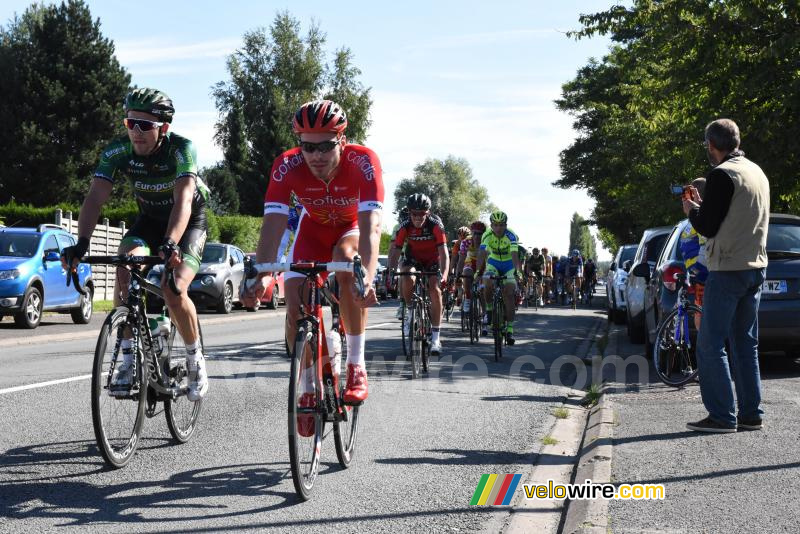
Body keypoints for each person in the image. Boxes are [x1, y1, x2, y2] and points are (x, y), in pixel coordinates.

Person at [62, 88, 211, 401]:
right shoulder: (118, 151)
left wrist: (171, 242)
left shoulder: (181, 149)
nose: (137, 132)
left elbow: (183, 200)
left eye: (146, 126)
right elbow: (95, 198)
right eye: (131, 124)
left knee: (173, 290)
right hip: (149, 222)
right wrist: (81, 244)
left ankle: (195, 358)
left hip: (186, 224)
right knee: (125, 268)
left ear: (163, 128)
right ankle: (128, 361)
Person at [243, 99, 383, 405]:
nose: (316, 155)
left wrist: (367, 278)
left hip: (350, 229)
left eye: (326, 146)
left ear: (342, 141)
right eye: (308, 147)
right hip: (312, 231)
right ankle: (307, 386)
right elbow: (273, 224)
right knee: (294, 304)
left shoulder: (363, 161)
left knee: (348, 264)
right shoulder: (286, 165)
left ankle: (356, 364)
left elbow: (371, 226)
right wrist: (263, 275)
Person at [682, 118, 769, 433]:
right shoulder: (756, 171)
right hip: (756, 267)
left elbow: (708, 226)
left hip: (728, 268)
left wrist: (691, 210)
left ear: (711, 145)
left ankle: (721, 415)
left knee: (709, 343)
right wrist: (705, 208)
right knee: (745, 344)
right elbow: (733, 215)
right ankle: (750, 413)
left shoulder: (720, 174)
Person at [387, 193, 449, 355]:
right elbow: (395, 252)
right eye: (414, 213)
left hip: (433, 260)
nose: (418, 217)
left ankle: (435, 338)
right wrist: (391, 272)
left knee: (435, 289)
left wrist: (445, 275)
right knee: (406, 275)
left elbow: (444, 253)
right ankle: (409, 311)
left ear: (427, 213)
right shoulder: (405, 226)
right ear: (409, 212)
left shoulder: (435, 226)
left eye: (422, 213)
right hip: (413, 258)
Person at [476, 210, 521, 344]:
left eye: (501, 225)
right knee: (487, 280)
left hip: (509, 265)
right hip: (493, 263)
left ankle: (510, 329)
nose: (498, 228)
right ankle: (489, 309)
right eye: (495, 225)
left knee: (508, 293)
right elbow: (482, 253)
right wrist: (478, 271)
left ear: (506, 225)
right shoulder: (487, 235)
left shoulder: (511, 235)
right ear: (491, 225)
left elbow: (514, 255)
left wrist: (517, 272)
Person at [678, 177, 709, 329]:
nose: (683, 200)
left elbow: (706, 243)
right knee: (700, 314)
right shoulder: (691, 221)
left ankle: (705, 348)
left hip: (702, 274)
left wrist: (698, 269)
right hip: (698, 275)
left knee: (701, 316)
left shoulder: (701, 218)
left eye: (686, 195)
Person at [456, 221, 486, 315]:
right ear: (471, 233)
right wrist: (458, 274)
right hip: (470, 262)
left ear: (483, 234)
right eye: (474, 233)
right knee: (466, 273)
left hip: (483, 263)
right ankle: (468, 298)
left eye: (479, 234)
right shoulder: (466, 241)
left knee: (482, 289)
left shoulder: (486, 241)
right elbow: (461, 260)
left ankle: (485, 312)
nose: (477, 236)